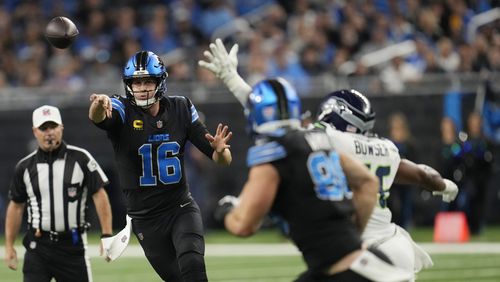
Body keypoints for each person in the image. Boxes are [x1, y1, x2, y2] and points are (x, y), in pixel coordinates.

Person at [199, 38, 458, 279]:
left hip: (357, 249)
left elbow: (274, 120)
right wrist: (446, 185)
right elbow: (422, 175)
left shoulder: (325, 141)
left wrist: (232, 78)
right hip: (393, 243)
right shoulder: (385, 147)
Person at [213, 78, 412, 282]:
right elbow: (368, 182)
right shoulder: (319, 141)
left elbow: (244, 226)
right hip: (360, 261)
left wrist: (226, 210)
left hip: (346, 273)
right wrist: (354, 232)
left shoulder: (271, 155)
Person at [88, 50, 232, 281]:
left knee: (193, 265)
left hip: (180, 207)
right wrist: (99, 103)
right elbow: (99, 118)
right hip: (145, 218)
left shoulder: (181, 108)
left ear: (160, 82)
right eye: (137, 82)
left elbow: (222, 160)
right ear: (129, 85)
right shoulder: (122, 109)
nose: (142, 88)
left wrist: (220, 150)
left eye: (148, 81)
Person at [4, 105, 112, 282]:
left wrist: (106, 234)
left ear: (61, 127)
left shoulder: (81, 158)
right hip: (37, 246)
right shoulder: (24, 166)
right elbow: (16, 206)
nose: (49, 133)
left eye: (53, 126)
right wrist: (9, 246)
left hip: (72, 245)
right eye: (43, 128)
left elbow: (99, 194)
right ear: (35, 131)